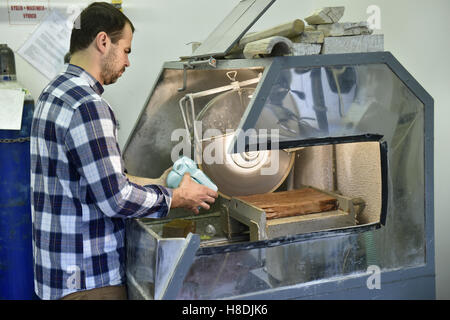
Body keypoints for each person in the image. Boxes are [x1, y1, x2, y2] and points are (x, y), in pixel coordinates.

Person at [30, 2, 217, 300]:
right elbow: (116, 200)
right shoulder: (89, 106)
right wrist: (177, 197)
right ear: (103, 41)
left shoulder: (54, 92)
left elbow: (99, 181)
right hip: (89, 280)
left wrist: (159, 180)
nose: (128, 62)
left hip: (58, 275)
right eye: (127, 50)